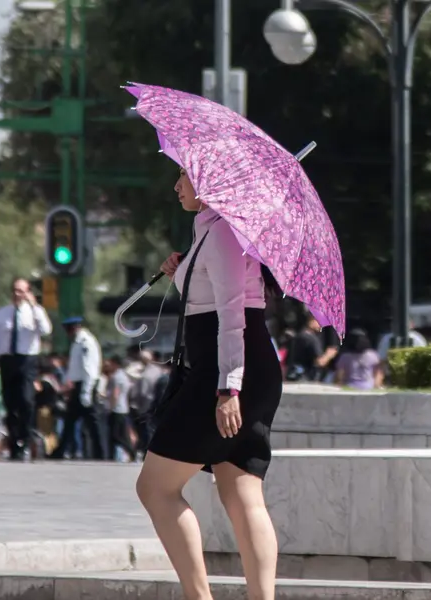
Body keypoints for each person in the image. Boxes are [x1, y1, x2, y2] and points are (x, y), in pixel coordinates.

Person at [136, 167, 284, 600]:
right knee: (241, 492)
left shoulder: (222, 232)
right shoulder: (214, 229)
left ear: (208, 182)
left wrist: (228, 389)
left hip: (226, 372)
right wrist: (182, 269)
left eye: (183, 174)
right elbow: (212, 294)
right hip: (242, 368)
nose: (176, 184)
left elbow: (232, 314)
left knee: (155, 488)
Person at [0, 277, 53, 461]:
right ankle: (15, 444)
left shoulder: (35, 312)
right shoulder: (2, 313)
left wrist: (35, 307)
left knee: (27, 401)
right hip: (7, 360)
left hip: (27, 360)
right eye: (14, 290)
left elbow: (46, 330)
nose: (17, 294)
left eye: (21, 291)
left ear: (28, 292)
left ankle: (25, 438)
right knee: (10, 403)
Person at [49, 316, 104, 460]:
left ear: (74, 328)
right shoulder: (77, 342)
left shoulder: (86, 342)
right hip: (78, 386)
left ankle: (101, 453)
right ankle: (60, 451)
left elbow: (89, 369)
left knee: (93, 423)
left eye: (68, 330)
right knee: (70, 421)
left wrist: (86, 391)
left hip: (86, 385)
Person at [104, 355, 136, 462]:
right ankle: (128, 452)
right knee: (122, 433)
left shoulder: (116, 377)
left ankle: (130, 451)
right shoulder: (124, 376)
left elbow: (115, 393)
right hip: (123, 408)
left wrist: (111, 407)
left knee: (117, 434)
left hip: (116, 409)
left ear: (115, 364)